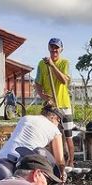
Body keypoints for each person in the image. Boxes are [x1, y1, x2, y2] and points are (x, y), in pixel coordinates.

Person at [0, 104, 67, 182]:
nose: (57, 126)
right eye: (58, 124)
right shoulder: (54, 130)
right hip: (21, 164)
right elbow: (60, 160)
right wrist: (61, 175)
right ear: (56, 118)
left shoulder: (26, 118)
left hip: (1, 157)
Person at [34, 38, 75, 166]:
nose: (54, 50)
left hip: (64, 105)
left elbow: (64, 80)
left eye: (57, 47)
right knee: (51, 136)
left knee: (68, 136)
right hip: (50, 106)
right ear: (48, 48)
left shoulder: (65, 63)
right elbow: (37, 83)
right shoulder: (41, 64)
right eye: (52, 47)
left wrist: (52, 65)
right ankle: (54, 162)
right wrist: (43, 96)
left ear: (61, 49)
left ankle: (71, 162)